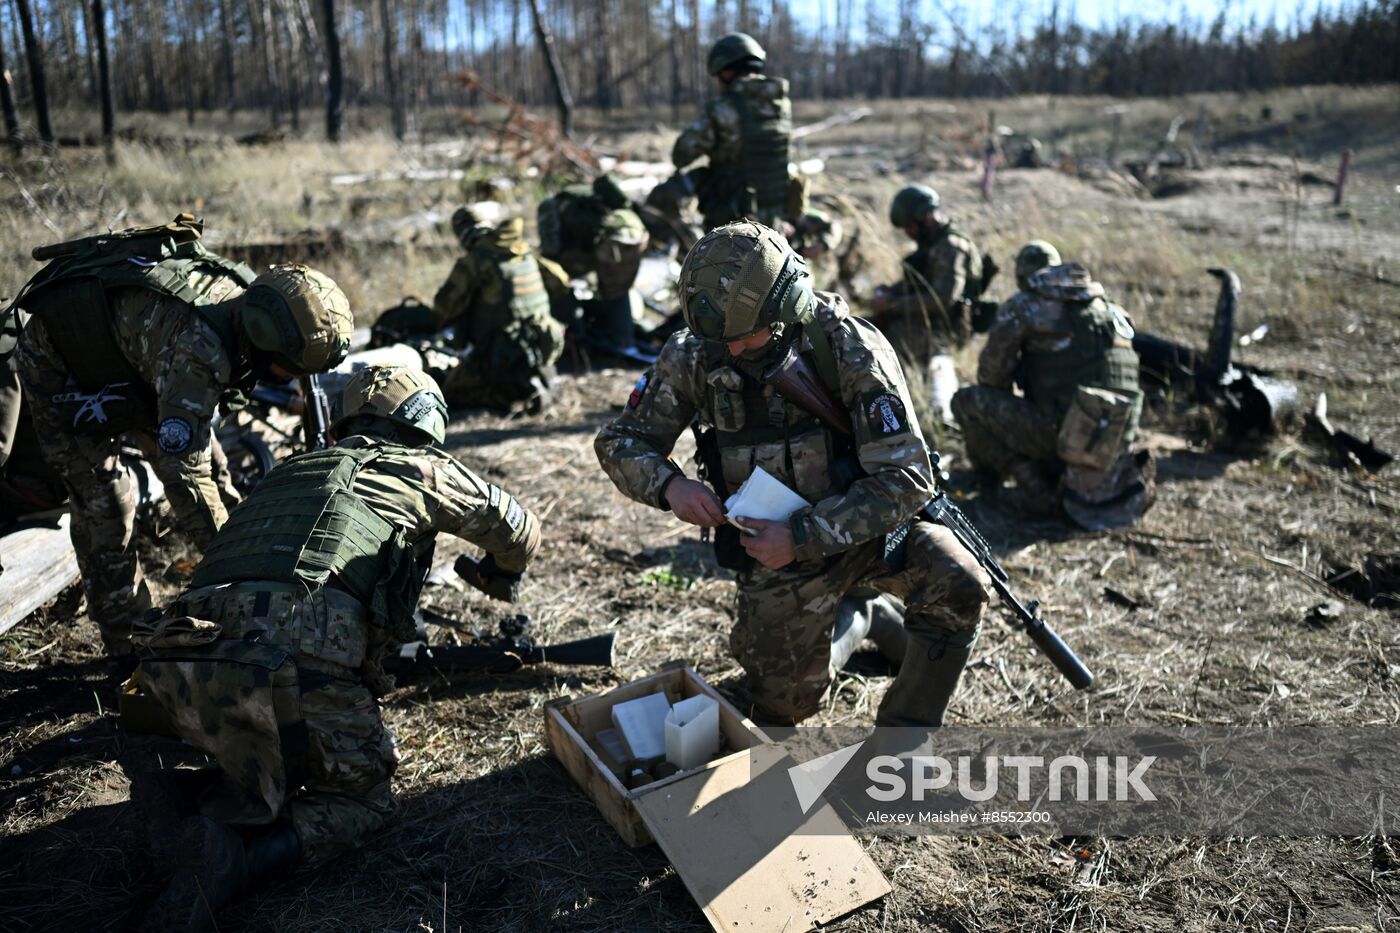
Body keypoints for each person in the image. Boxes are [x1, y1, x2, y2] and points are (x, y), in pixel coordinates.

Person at [132, 364, 542, 931]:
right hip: (288, 664)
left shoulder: (293, 469)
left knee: (285, 740)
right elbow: (518, 529)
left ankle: (188, 796)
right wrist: (498, 572)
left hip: (183, 663)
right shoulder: (421, 467)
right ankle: (234, 862)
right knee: (364, 799)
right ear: (428, 421)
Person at [595, 220, 988, 727]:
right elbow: (621, 441)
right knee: (781, 708)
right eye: (721, 339)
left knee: (958, 581)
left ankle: (905, 735)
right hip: (775, 553)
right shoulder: (698, 349)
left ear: (783, 310)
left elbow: (908, 478)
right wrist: (671, 486)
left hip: (869, 532)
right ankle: (859, 616)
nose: (731, 350)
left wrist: (803, 534)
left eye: (743, 337)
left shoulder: (848, 346)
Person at [10, 213, 354, 663]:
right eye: (292, 371)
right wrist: (239, 572)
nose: (293, 380)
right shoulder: (201, 349)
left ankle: (246, 567)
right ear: (270, 349)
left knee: (215, 464)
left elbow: (196, 457)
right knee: (108, 503)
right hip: (60, 364)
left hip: (132, 366)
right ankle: (127, 644)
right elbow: (184, 478)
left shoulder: (245, 305)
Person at [950, 241, 1154, 527]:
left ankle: (1030, 485)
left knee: (966, 400)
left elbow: (990, 378)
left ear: (1022, 278)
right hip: (1115, 440)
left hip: (1062, 434)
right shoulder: (1111, 310)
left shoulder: (1026, 306)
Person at [872, 184, 991, 423]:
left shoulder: (950, 247)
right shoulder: (934, 244)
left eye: (910, 227)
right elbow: (920, 285)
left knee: (884, 340)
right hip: (928, 318)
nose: (909, 233)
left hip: (946, 328)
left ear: (924, 218)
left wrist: (893, 304)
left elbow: (942, 300)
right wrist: (890, 292)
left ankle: (926, 410)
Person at [432, 206, 565, 411]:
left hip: (500, 355)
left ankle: (511, 395)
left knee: (449, 391)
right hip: (540, 346)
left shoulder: (478, 260)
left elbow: (444, 307)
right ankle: (537, 385)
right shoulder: (522, 250)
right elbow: (561, 283)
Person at [672, 33, 792, 232]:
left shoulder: (722, 109)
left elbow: (681, 155)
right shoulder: (781, 105)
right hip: (775, 222)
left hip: (733, 226)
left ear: (726, 72)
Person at [537, 174, 650, 351]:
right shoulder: (604, 210)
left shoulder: (557, 208)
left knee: (560, 284)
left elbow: (551, 251)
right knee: (615, 292)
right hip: (626, 240)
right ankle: (618, 341)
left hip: (603, 243)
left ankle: (579, 339)